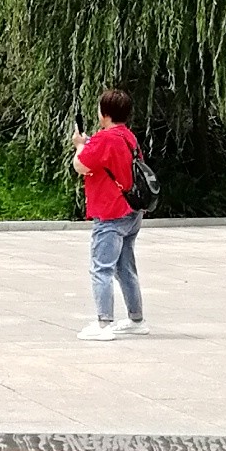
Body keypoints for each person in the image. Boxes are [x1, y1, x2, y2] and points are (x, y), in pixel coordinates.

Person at [73, 87, 147, 337]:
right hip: (132, 211)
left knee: (101, 267)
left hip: (110, 212)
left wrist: (79, 146)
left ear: (104, 113)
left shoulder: (105, 138)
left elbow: (81, 166)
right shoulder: (128, 137)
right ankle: (136, 319)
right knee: (125, 267)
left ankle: (103, 323)